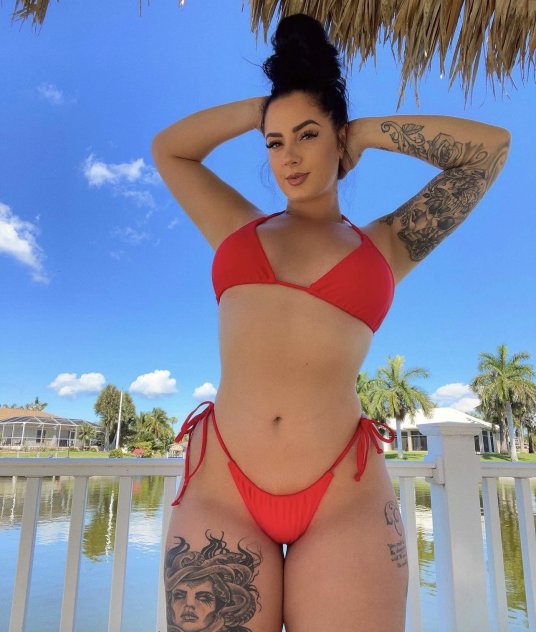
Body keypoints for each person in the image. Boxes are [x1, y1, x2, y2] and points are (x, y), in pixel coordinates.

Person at [152, 13, 510, 632]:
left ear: (337, 139)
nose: (288, 156)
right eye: (274, 143)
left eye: (308, 135)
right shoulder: (239, 228)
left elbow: (488, 152)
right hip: (222, 490)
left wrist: (363, 131)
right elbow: (170, 149)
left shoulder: (386, 245)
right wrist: (268, 109)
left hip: (343, 500)